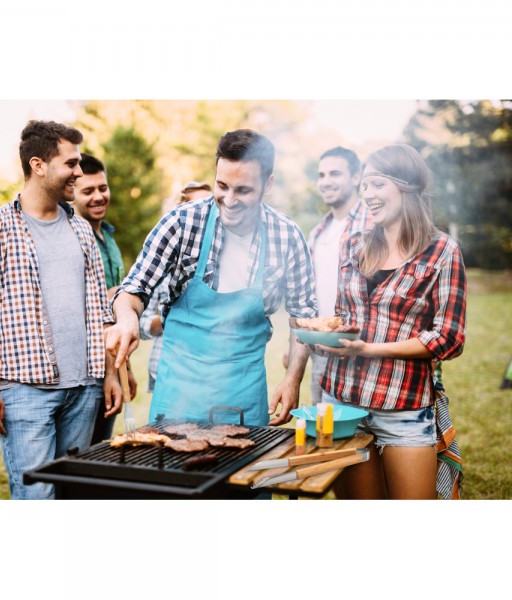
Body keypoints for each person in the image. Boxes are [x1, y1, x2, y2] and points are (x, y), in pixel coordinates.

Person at [0, 120, 122, 499]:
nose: (78, 172)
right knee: (38, 498)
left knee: (73, 493)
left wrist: (110, 374)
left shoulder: (81, 229)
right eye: (71, 164)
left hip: (84, 390)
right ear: (38, 165)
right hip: (24, 392)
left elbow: (102, 311)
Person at [107, 129, 317, 426]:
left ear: (267, 184)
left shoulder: (288, 236)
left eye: (243, 190)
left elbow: (303, 317)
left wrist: (293, 379)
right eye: (222, 186)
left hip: (243, 395)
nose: (229, 200)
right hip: (178, 392)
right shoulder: (181, 222)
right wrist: (127, 319)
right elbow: (132, 291)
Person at [315, 143, 467, 500]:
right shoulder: (354, 244)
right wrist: (329, 337)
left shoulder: (442, 251)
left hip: (402, 406)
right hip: (342, 402)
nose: (368, 194)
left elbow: (449, 338)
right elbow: (345, 316)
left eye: (377, 184)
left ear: (407, 185)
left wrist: (370, 349)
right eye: (365, 185)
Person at [284, 147, 373, 404]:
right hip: (320, 351)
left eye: (335, 173)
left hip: (360, 351)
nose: (326, 181)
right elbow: (305, 299)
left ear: (356, 177)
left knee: (361, 436)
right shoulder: (317, 233)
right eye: (321, 175)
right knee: (325, 432)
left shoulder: (373, 225)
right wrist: (295, 348)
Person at [71, 152, 137, 443]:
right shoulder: (71, 237)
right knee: (79, 454)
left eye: (102, 188)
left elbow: (118, 314)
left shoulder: (109, 239)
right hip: (84, 369)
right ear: (72, 192)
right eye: (88, 191)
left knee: (101, 447)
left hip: (112, 365)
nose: (98, 197)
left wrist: (125, 370)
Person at [139, 180, 212, 392]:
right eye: (196, 207)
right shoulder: (160, 265)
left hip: (210, 375)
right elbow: (142, 324)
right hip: (166, 372)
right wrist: (174, 317)